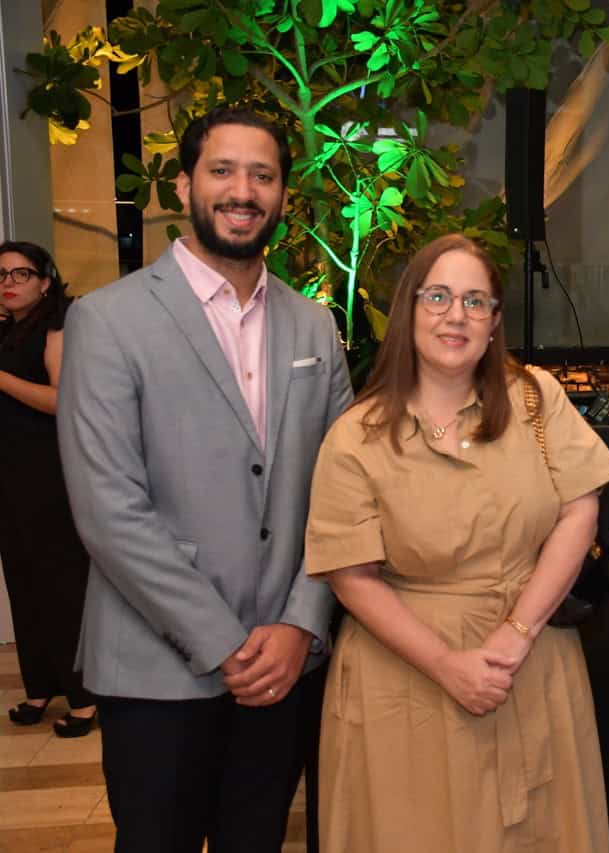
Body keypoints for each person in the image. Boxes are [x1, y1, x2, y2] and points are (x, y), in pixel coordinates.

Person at [57, 108, 353, 852]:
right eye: (222, 171)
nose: (242, 191)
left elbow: (345, 492)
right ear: (185, 185)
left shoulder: (314, 326)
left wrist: (301, 623)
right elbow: (108, 511)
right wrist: (224, 643)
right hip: (156, 668)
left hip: (284, 664)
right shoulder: (107, 320)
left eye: (263, 175)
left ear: (282, 195)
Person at [303, 233, 609, 852]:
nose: (457, 315)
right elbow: (351, 576)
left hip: (529, 664)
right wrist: (449, 667)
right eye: (439, 297)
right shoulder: (355, 436)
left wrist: (517, 632)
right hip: (405, 680)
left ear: (495, 320)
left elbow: (579, 511)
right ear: (409, 309)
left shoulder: (536, 399)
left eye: (476, 301)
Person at [0, 241, 96, 737]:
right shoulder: (5, 331)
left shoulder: (56, 329)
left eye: (21, 273)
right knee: (23, 584)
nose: (9, 283)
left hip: (49, 475)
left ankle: (84, 698)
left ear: (44, 281)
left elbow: (62, 400)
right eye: (2, 275)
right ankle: (40, 687)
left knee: (62, 587)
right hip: (10, 475)